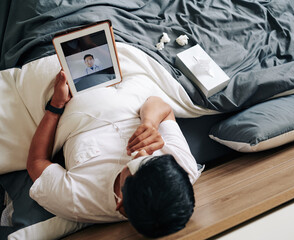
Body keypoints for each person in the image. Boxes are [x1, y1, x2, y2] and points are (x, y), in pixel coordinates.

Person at [26, 70, 201, 238]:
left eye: (136, 161)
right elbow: (161, 106)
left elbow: (37, 161)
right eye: (152, 156)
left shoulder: (76, 200)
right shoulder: (182, 169)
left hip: (70, 96)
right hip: (126, 83)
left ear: (120, 203)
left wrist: (55, 106)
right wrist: (150, 124)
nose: (141, 151)